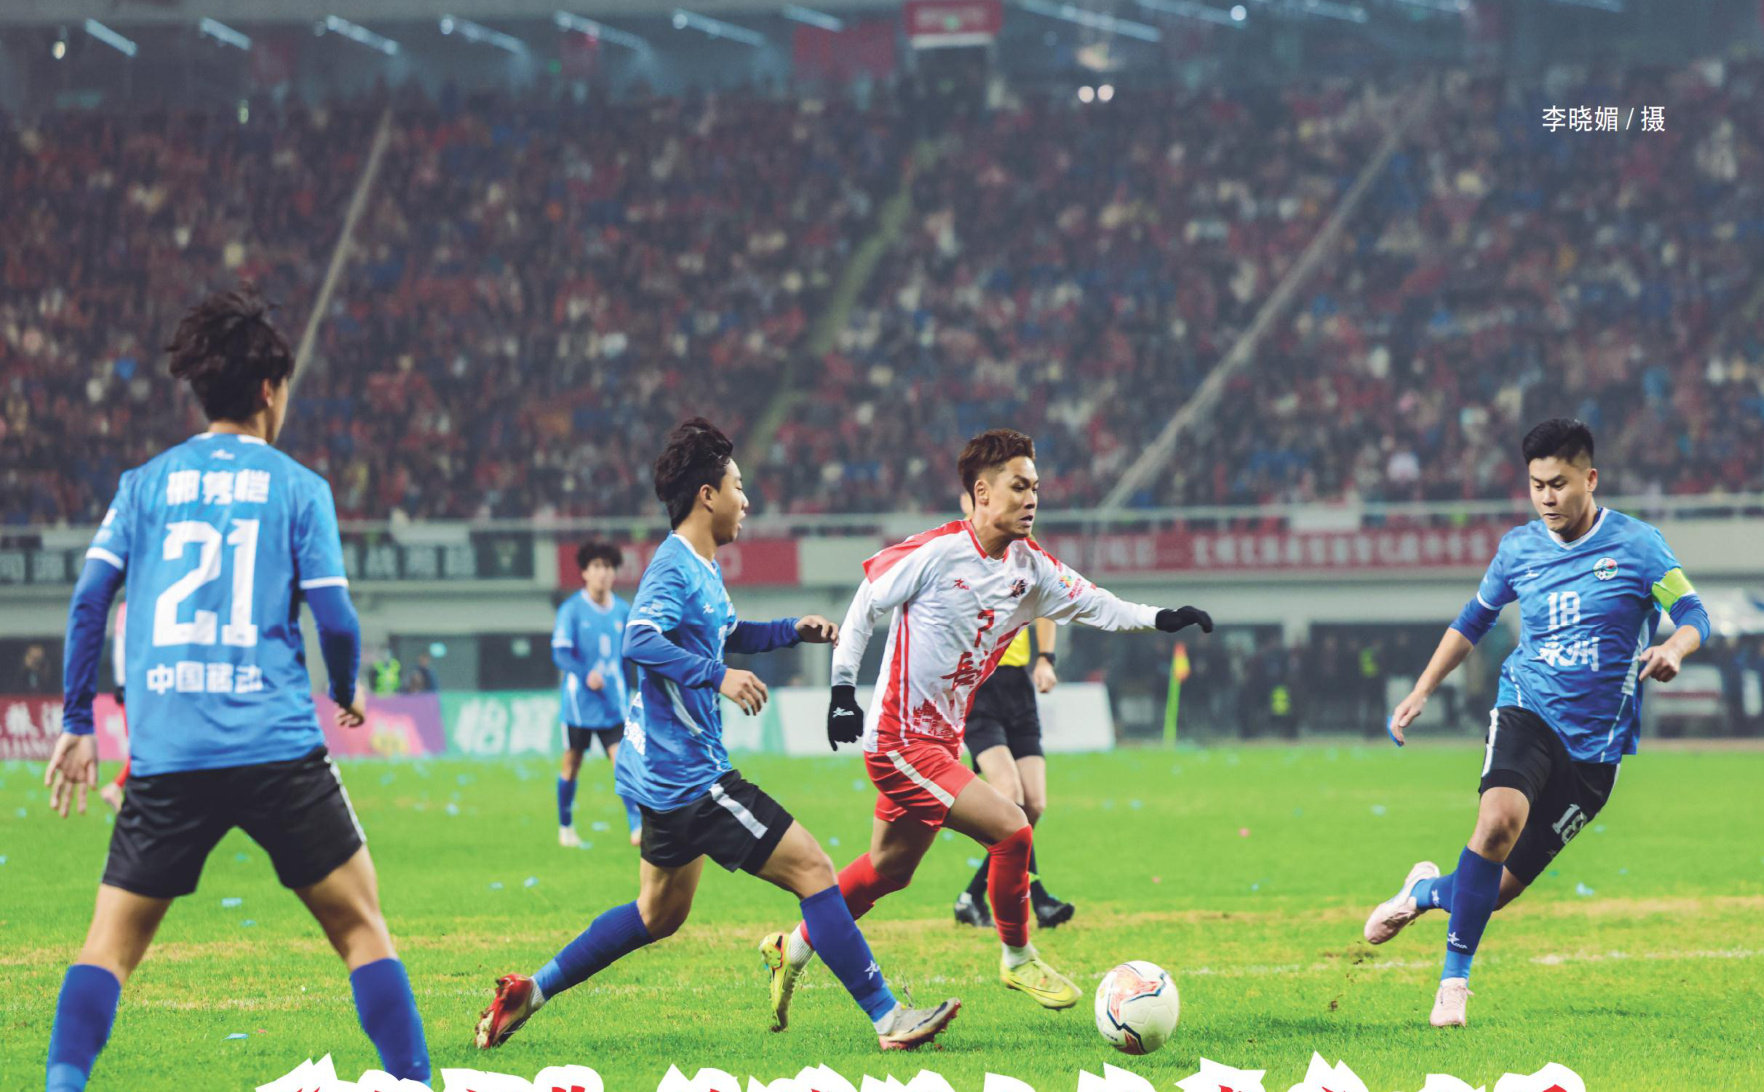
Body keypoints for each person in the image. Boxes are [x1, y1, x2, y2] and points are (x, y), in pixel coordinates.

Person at [41, 287, 430, 1091]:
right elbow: (336, 618)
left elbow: (88, 601)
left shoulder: (143, 484)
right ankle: (414, 1083)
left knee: (108, 948)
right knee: (362, 931)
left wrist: (78, 720)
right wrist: (347, 687)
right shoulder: (298, 487)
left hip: (168, 754)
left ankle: (61, 1084)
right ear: (268, 390)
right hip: (276, 748)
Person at [474, 419, 959, 1052]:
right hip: (692, 777)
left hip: (662, 779)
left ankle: (530, 992)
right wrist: (718, 676)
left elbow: (725, 633)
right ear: (707, 495)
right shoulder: (673, 567)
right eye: (738, 486)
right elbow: (638, 640)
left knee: (658, 914)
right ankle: (889, 1017)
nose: (746, 501)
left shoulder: (702, 567)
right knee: (814, 869)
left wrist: (791, 630)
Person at [760, 428, 1213, 1029]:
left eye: (1036, 488)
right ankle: (1017, 956)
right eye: (1018, 486)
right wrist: (843, 689)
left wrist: (1163, 617)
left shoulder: (1032, 568)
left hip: (941, 743)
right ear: (981, 493)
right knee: (1013, 827)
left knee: (888, 870)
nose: (1032, 499)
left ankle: (790, 947)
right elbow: (868, 600)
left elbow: (1098, 604)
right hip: (899, 742)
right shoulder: (936, 552)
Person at [1365, 418, 1711, 1028]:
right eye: (1536, 485)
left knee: (1494, 891)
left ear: (1590, 478)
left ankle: (1423, 892)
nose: (1547, 498)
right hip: (1527, 708)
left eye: (1559, 484)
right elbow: (1473, 620)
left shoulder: (1640, 546)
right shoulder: (1518, 549)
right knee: (1497, 822)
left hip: (1595, 750)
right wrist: (1422, 689)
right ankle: (1453, 984)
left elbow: (1693, 612)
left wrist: (1675, 648)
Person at [951, 496, 1074, 931]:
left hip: (1018, 686)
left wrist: (1045, 659)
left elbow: (1048, 602)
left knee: (1033, 804)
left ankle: (971, 895)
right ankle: (1037, 898)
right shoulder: (954, 552)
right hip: (978, 689)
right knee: (1011, 798)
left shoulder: (1025, 550)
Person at [552, 540, 642, 848]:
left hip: (612, 703)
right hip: (579, 704)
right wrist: (583, 673)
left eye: (608, 567)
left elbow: (629, 656)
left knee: (622, 761)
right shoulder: (572, 610)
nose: (603, 573)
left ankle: (637, 826)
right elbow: (561, 653)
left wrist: (631, 688)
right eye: (597, 567)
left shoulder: (623, 611)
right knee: (572, 762)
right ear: (585, 572)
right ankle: (566, 827)